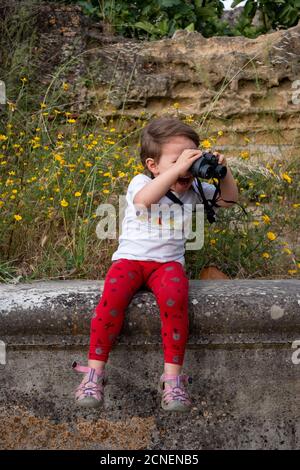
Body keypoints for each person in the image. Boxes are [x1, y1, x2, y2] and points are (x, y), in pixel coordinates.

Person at [72, 116, 238, 412]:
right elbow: (143, 201)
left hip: (167, 265)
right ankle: (94, 373)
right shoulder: (142, 182)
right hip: (130, 261)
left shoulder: (196, 190)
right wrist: (176, 170)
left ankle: (173, 381)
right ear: (153, 165)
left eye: (192, 159)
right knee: (111, 303)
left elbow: (228, 201)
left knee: (176, 302)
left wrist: (221, 172)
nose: (186, 168)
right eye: (178, 160)